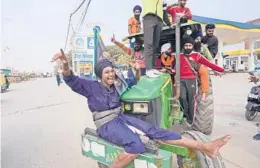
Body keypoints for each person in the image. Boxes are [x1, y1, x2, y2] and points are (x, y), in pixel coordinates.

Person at [52, 51, 231, 168]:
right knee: (136, 145)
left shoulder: (116, 86)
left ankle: (205, 147)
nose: (111, 74)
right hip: (106, 124)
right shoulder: (90, 87)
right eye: (107, 72)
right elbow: (70, 79)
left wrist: (137, 71)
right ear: (100, 75)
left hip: (121, 119)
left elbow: (134, 83)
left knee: (156, 131)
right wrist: (65, 63)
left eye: (112, 71)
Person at [180, 36, 224, 125]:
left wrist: (221, 70)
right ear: (183, 46)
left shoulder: (197, 55)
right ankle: (185, 115)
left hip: (191, 80)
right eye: (186, 46)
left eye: (189, 45)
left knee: (192, 99)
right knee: (182, 97)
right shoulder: (179, 56)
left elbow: (209, 64)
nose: (188, 47)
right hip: (181, 80)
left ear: (192, 46)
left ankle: (190, 119)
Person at [142, 0, 172, 70]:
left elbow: (164, 12)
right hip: (149, 17)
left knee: (155, 45)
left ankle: (152, 68)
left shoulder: (163, 1)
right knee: (148, 44)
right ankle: (148, 69)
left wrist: (169, 24)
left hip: (159, 20)